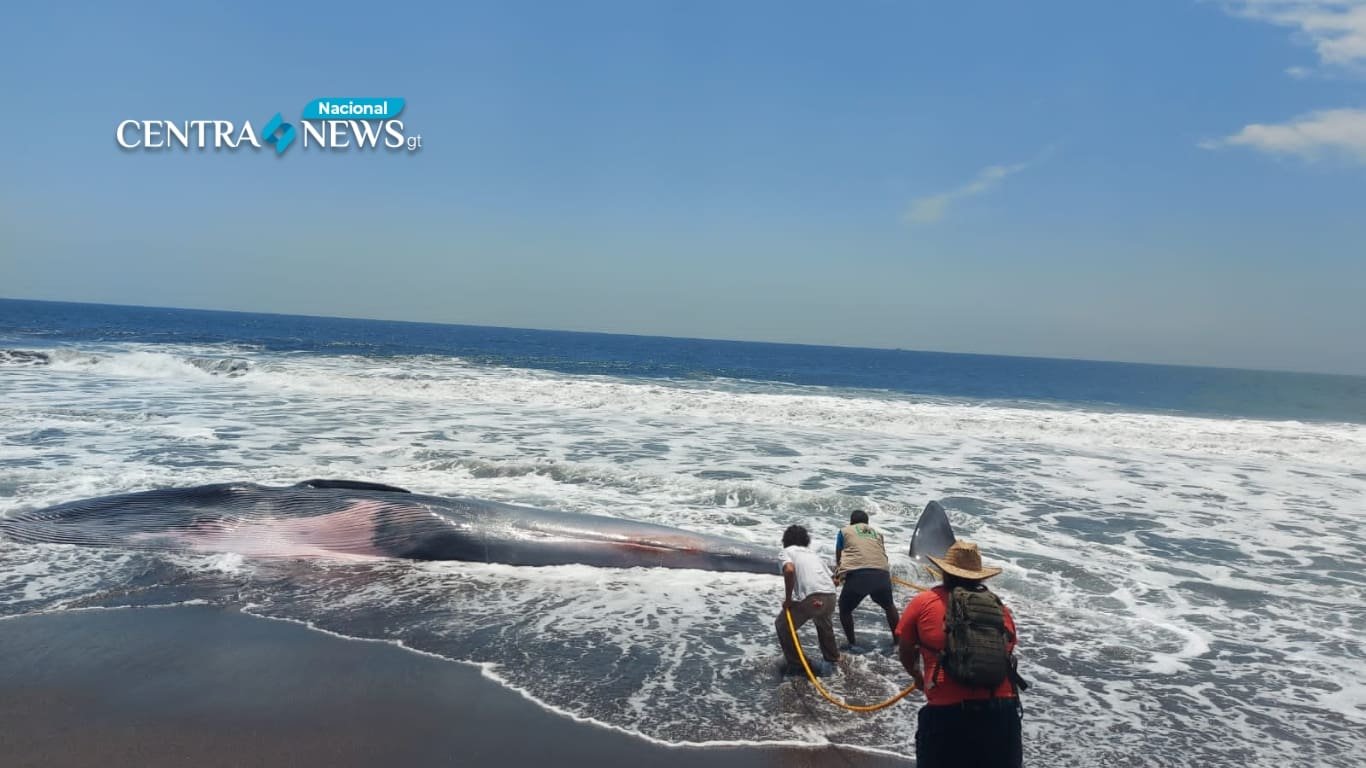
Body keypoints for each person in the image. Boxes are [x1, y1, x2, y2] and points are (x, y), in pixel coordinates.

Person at [897, 540, 1024, 768]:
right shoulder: (998, 607)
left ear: (944, 572)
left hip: (948, 715)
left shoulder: (924, 601)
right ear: (980, 577)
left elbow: (905, 649)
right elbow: (1008, 649)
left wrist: (918, 677)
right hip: (1003, 714)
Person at [775, 524, 840, 672]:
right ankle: (833, 660)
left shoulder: (786, 552)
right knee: (823, 623)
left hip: (811, 597)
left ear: (786, 539)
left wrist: (788, 599)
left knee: (782, 626)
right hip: (830, 596)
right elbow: (835, 581)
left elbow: (789, 570)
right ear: (805, 540)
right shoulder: (813, 554)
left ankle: (798, 664)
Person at [833, 509, 900, 647]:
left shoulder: (845, 531)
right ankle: (898, 642)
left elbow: (839, 557)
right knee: (889, 606)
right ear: (867, 523)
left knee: (844, 609)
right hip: (882, 573)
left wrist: (838, 575)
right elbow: (880, 553)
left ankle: (852, 644)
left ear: (851, 522)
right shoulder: (877, 533)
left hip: (859, 575)